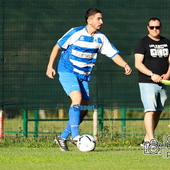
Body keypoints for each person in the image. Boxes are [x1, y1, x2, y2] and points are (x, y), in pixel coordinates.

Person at [46, 8, 132, 151]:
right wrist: (50, 66)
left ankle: (62, 138)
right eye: (98, 19)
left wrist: (125, 64)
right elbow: (57, 47)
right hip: (67, 70)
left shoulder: (101, 38)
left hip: (83, 75)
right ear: (89, 20)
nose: (101, 22)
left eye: (101, 18)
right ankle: (75, 137)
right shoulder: (75, 32)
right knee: (77, 98)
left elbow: (112, 54)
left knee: (84, 109)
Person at [134, 17, 170, 146]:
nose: (155, 29)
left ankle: (147, 140)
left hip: (163, 84)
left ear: (161, 27)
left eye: (157, 27)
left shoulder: (167, 42)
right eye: (152, 27)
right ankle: (152, 141)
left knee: (158, 111)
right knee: (150, 111)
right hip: (147, 82)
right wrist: (152, 75)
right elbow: (138, 64)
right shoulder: (142, 43)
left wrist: (168, 74)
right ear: (148, 28)